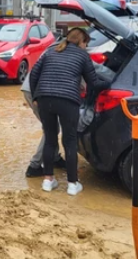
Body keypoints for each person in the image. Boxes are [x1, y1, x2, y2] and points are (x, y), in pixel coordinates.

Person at [29, 28, 108, 196]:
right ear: (81, 42)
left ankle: (48, 181)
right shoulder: (82, 55)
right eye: (86, 43)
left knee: (50, 139)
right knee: (70, 140)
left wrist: (36, 95)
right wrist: (110, 83)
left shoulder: (51, 50)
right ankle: (73, 184)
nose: (86, 46)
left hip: (45, 99)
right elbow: (93, 83)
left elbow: (34, 73)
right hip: (68, 100)